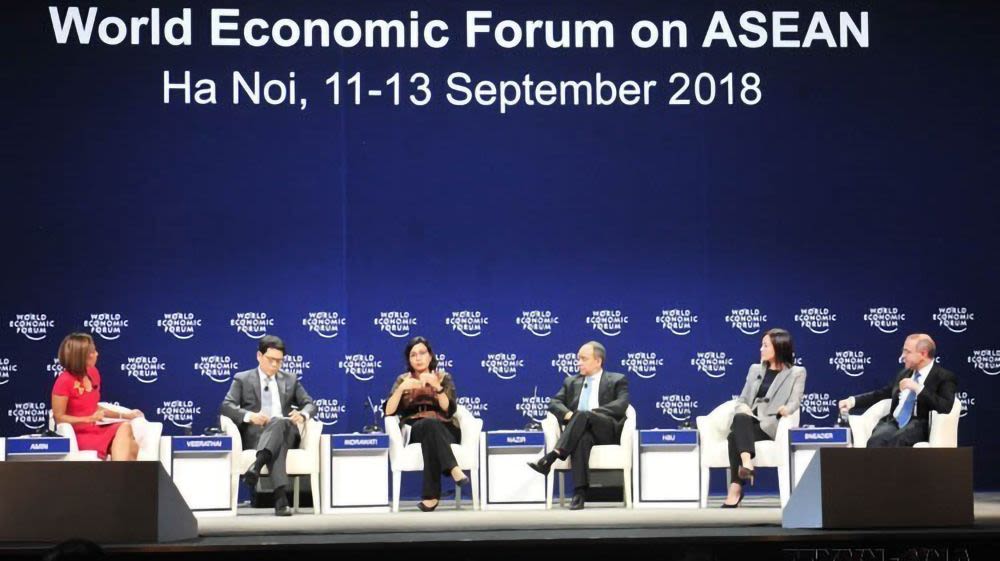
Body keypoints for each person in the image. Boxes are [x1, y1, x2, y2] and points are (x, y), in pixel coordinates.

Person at [220, 335, 316, 516]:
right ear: (259, 356)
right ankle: (280, 499)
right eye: (271, 359)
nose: (275, 365)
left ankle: (257, 465)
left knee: (278, 421)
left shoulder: (291, 379)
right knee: (278, 444)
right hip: (257, 436)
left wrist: (302, 415)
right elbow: (227, 406)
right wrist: (250, 416)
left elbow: (310, 404)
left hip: (287, 431)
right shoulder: (242, 379)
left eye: (279, 361)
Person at [528, 341, 629, 510]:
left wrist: (591, 413)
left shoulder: (617, 379)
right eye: (578, 359)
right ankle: (579, 493)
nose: (578, 363)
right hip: (579, 431)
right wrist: (568, 415)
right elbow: (554, 403)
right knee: (582, 438)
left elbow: (621, 404)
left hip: (606, 430)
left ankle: (552, 456)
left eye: (584, 359)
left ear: (598, 361)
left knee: (582, 414)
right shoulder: (570, 382)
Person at [721, 328, 807, 508]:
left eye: (765, 345)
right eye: (762, 345)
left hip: (770, 424)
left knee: (733, 436)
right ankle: (746, 465)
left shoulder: (796, 372)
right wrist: (743, 407)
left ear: (779, 347)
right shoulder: (755, 369)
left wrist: (787, 409)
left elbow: (795, 401)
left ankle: (736, 487)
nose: (761, 349)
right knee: (740, 417)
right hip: (749, 419)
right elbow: (743, 399)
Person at [384, 336, 469, 512]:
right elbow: (389, 411)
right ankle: (453, 468)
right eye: (413, 354)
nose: (418, 358)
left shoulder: (443, 377)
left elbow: (449, 409)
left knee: (432, 430)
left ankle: (431, 497)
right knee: (429, 426)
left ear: (430, 356)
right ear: (409, 360)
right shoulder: (402, 379)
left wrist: (437, 387)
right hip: (415, 428)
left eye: (422, 353)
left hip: (445, 427)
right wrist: (401, 389)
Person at [838, 333, 957, 447]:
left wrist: (918, 388)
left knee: (898, 441)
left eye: (907, 352)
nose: (902, 356)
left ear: (923, 354)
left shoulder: (943, 377)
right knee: (876, 441)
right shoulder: (904, 374)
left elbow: (945, 406)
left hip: (919, 424)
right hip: (894, 422)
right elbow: (882, 394)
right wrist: (852, 401)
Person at [50, 333, 144, 461]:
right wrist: (87, 419)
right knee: (131, 446)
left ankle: (119, 471)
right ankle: (121, 472)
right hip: (79, 436)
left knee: (127, 431)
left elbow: (94, 407)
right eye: (93, 352)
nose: (97, 354)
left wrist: (125, 415)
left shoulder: (93, 373)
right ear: (82, 356)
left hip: (96, 429)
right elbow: (59, 418)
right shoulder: (64, 381)